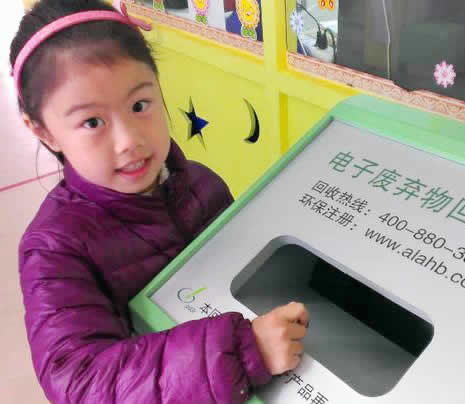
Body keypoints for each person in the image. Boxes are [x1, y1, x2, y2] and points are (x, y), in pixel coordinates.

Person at [11, 1, 309, 403]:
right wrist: (244, 350)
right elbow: (79, 383)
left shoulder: (202, 184)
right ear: (43, 131)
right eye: (92, 122)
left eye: (139, 105)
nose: (129, 140)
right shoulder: (53, 249)